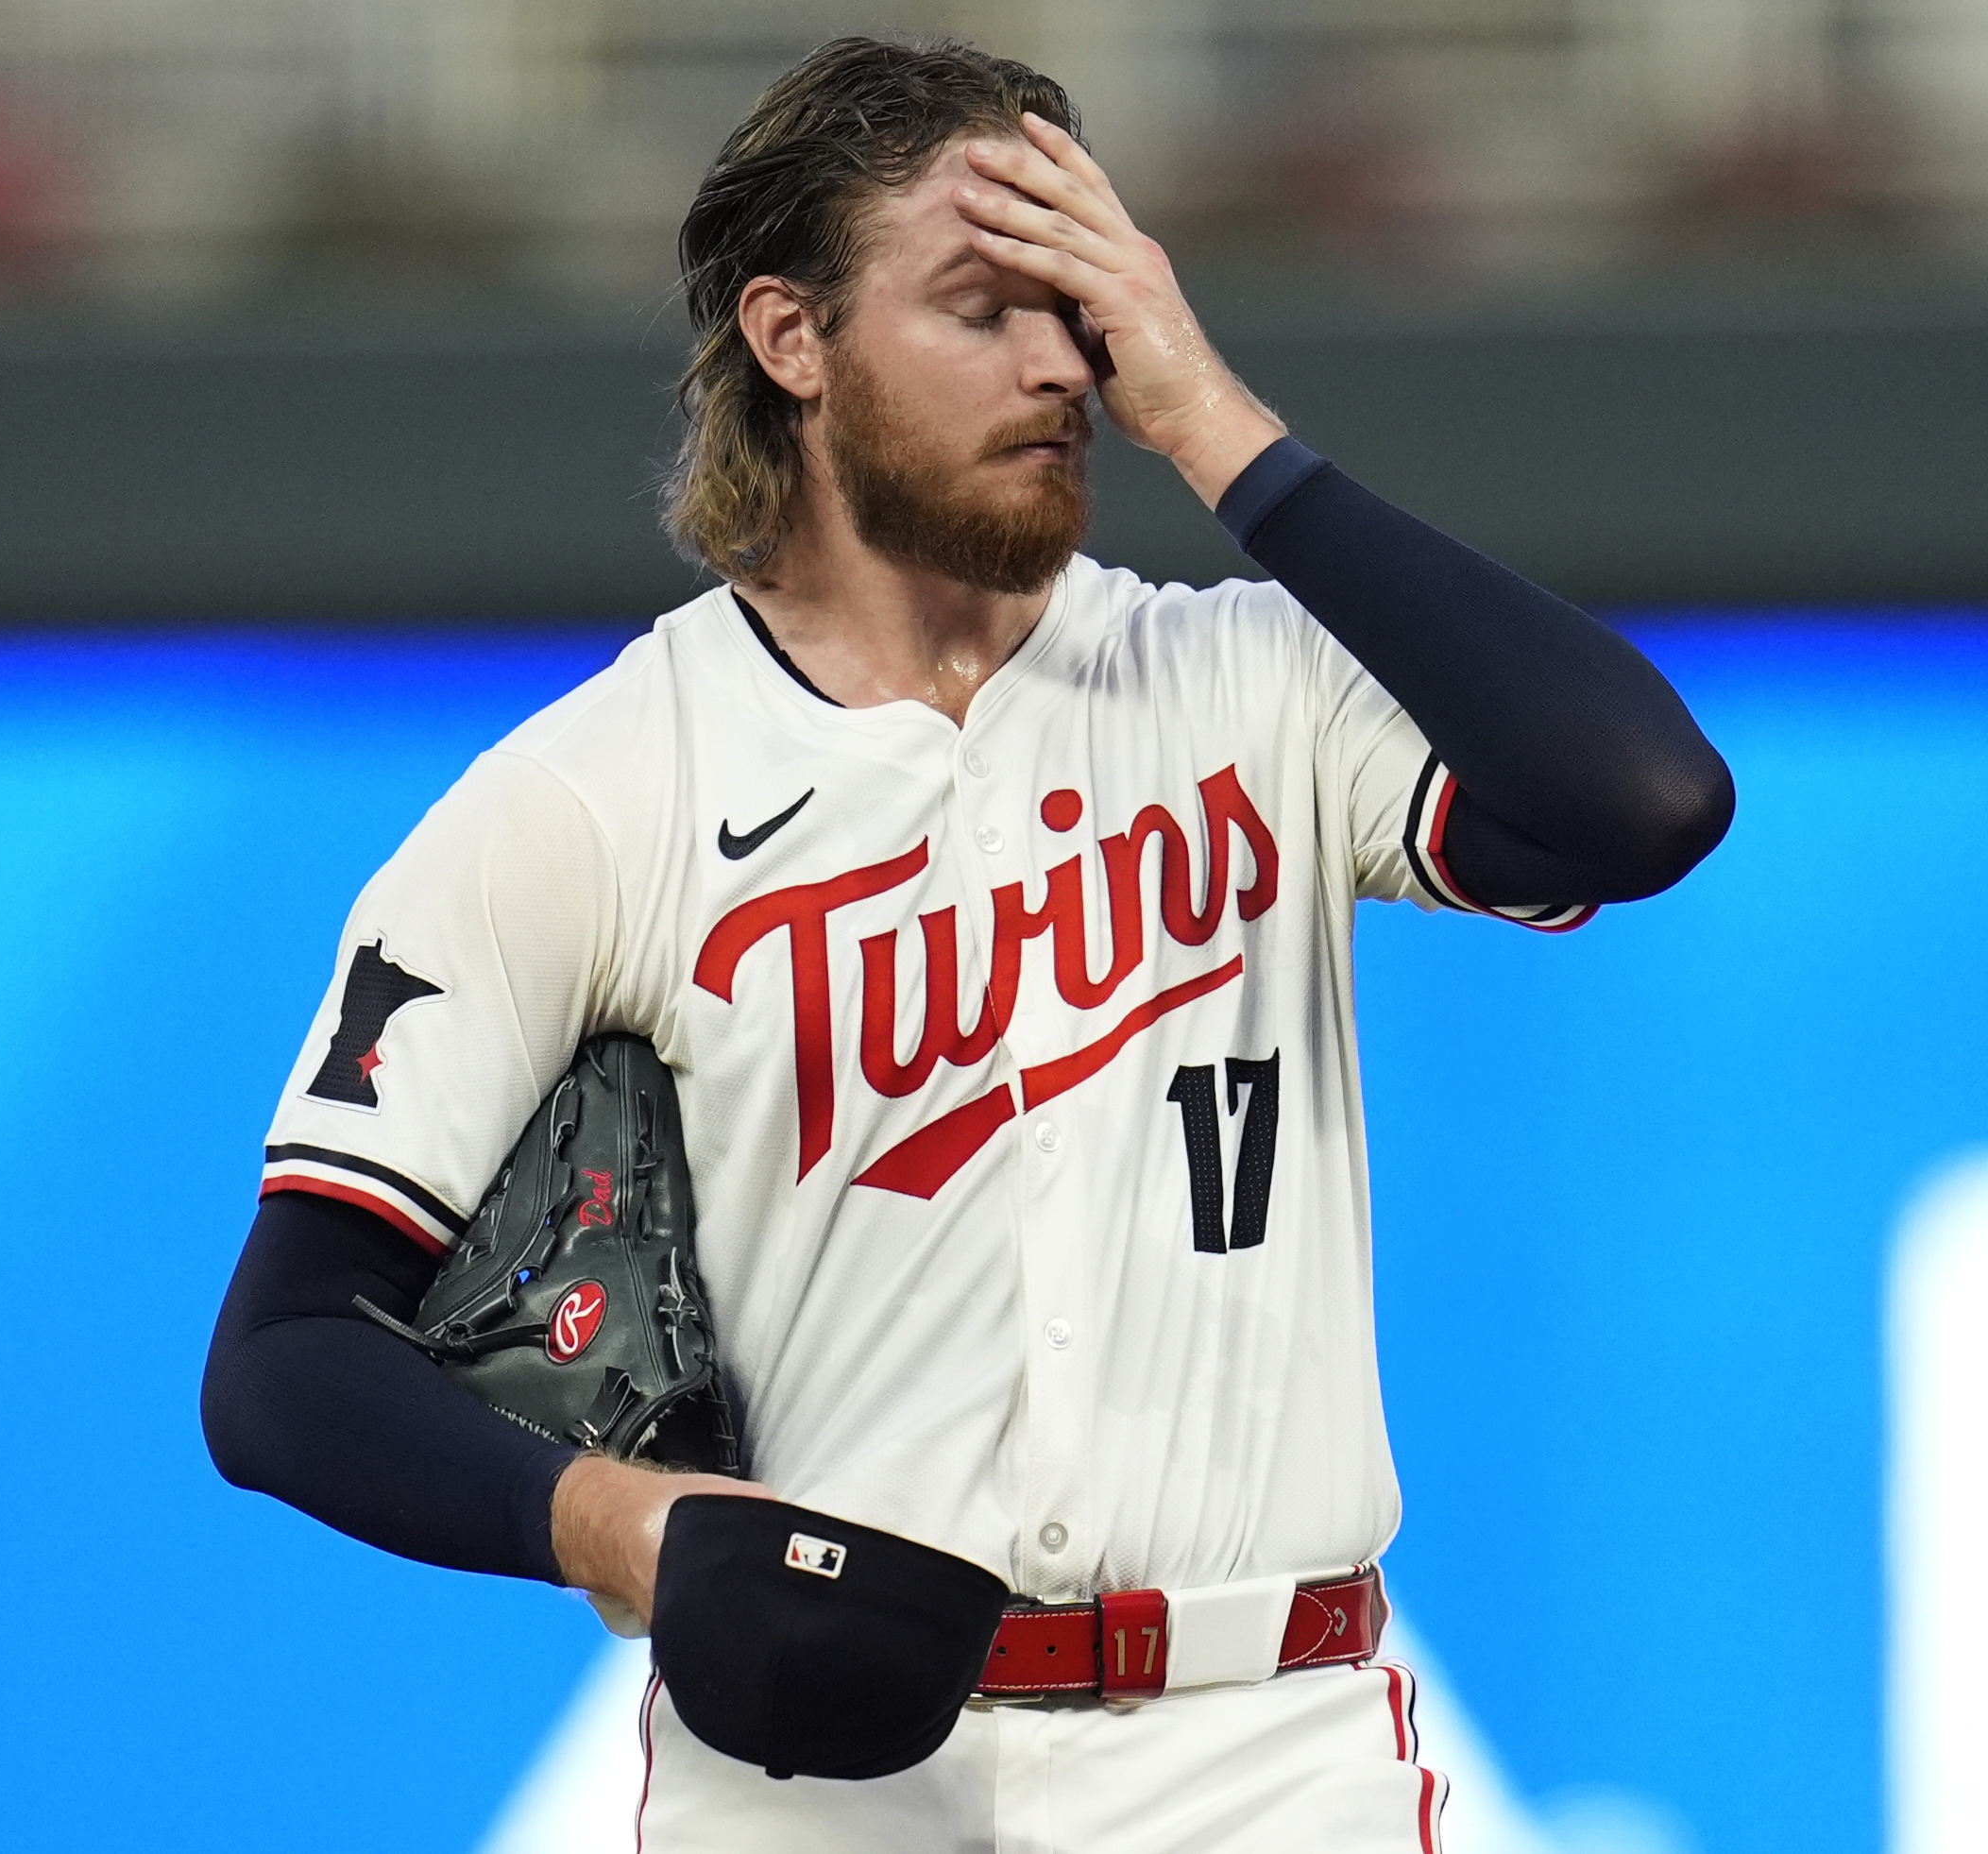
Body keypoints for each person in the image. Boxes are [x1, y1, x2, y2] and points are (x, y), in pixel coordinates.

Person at [202, 33, 1732, 1853]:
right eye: (983, 304)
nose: (1060, 363)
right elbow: (286, 1356)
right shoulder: (596, 791)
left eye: (1082, 304)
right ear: (794, 340)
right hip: (814, 1780)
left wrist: (1219, 424)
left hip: (1262, 1753)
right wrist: (631, 1525)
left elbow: (1644, 800)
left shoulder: (1248, 682)